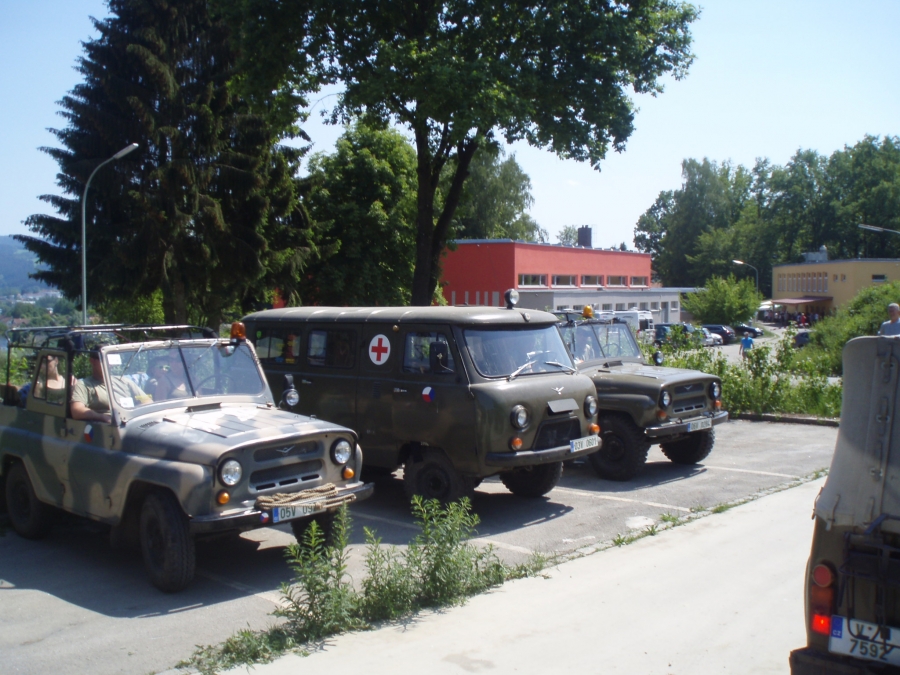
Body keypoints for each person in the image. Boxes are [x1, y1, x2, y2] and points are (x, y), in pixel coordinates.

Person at [71, 347, 148, 423]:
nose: (109, 364)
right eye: (104, 360)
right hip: (109, 426)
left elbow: (147, 401)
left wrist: (135, 413)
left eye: (110, 360)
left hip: (132, 421)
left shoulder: (123, 381)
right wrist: (101, 417)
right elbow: (76, 411)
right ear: (92, 361)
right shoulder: (84, 385)